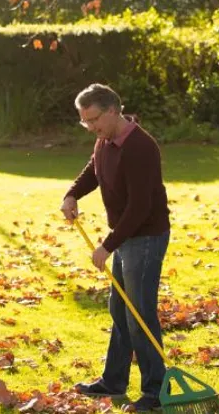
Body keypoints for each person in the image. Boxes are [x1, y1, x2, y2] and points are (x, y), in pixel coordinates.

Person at [61, 83, 171, 413]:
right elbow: (94, 169)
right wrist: (72, 194)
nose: (90, 127)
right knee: (120, 309)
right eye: (84, 122)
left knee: (139, 313)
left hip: (146, 238)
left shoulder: (140, 147)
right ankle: (114, 381)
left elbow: (140, 206)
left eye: (93, 119)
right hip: (126, 237)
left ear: (112, 111)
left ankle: (155, 391)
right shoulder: (105, 140)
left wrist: (107, 246)